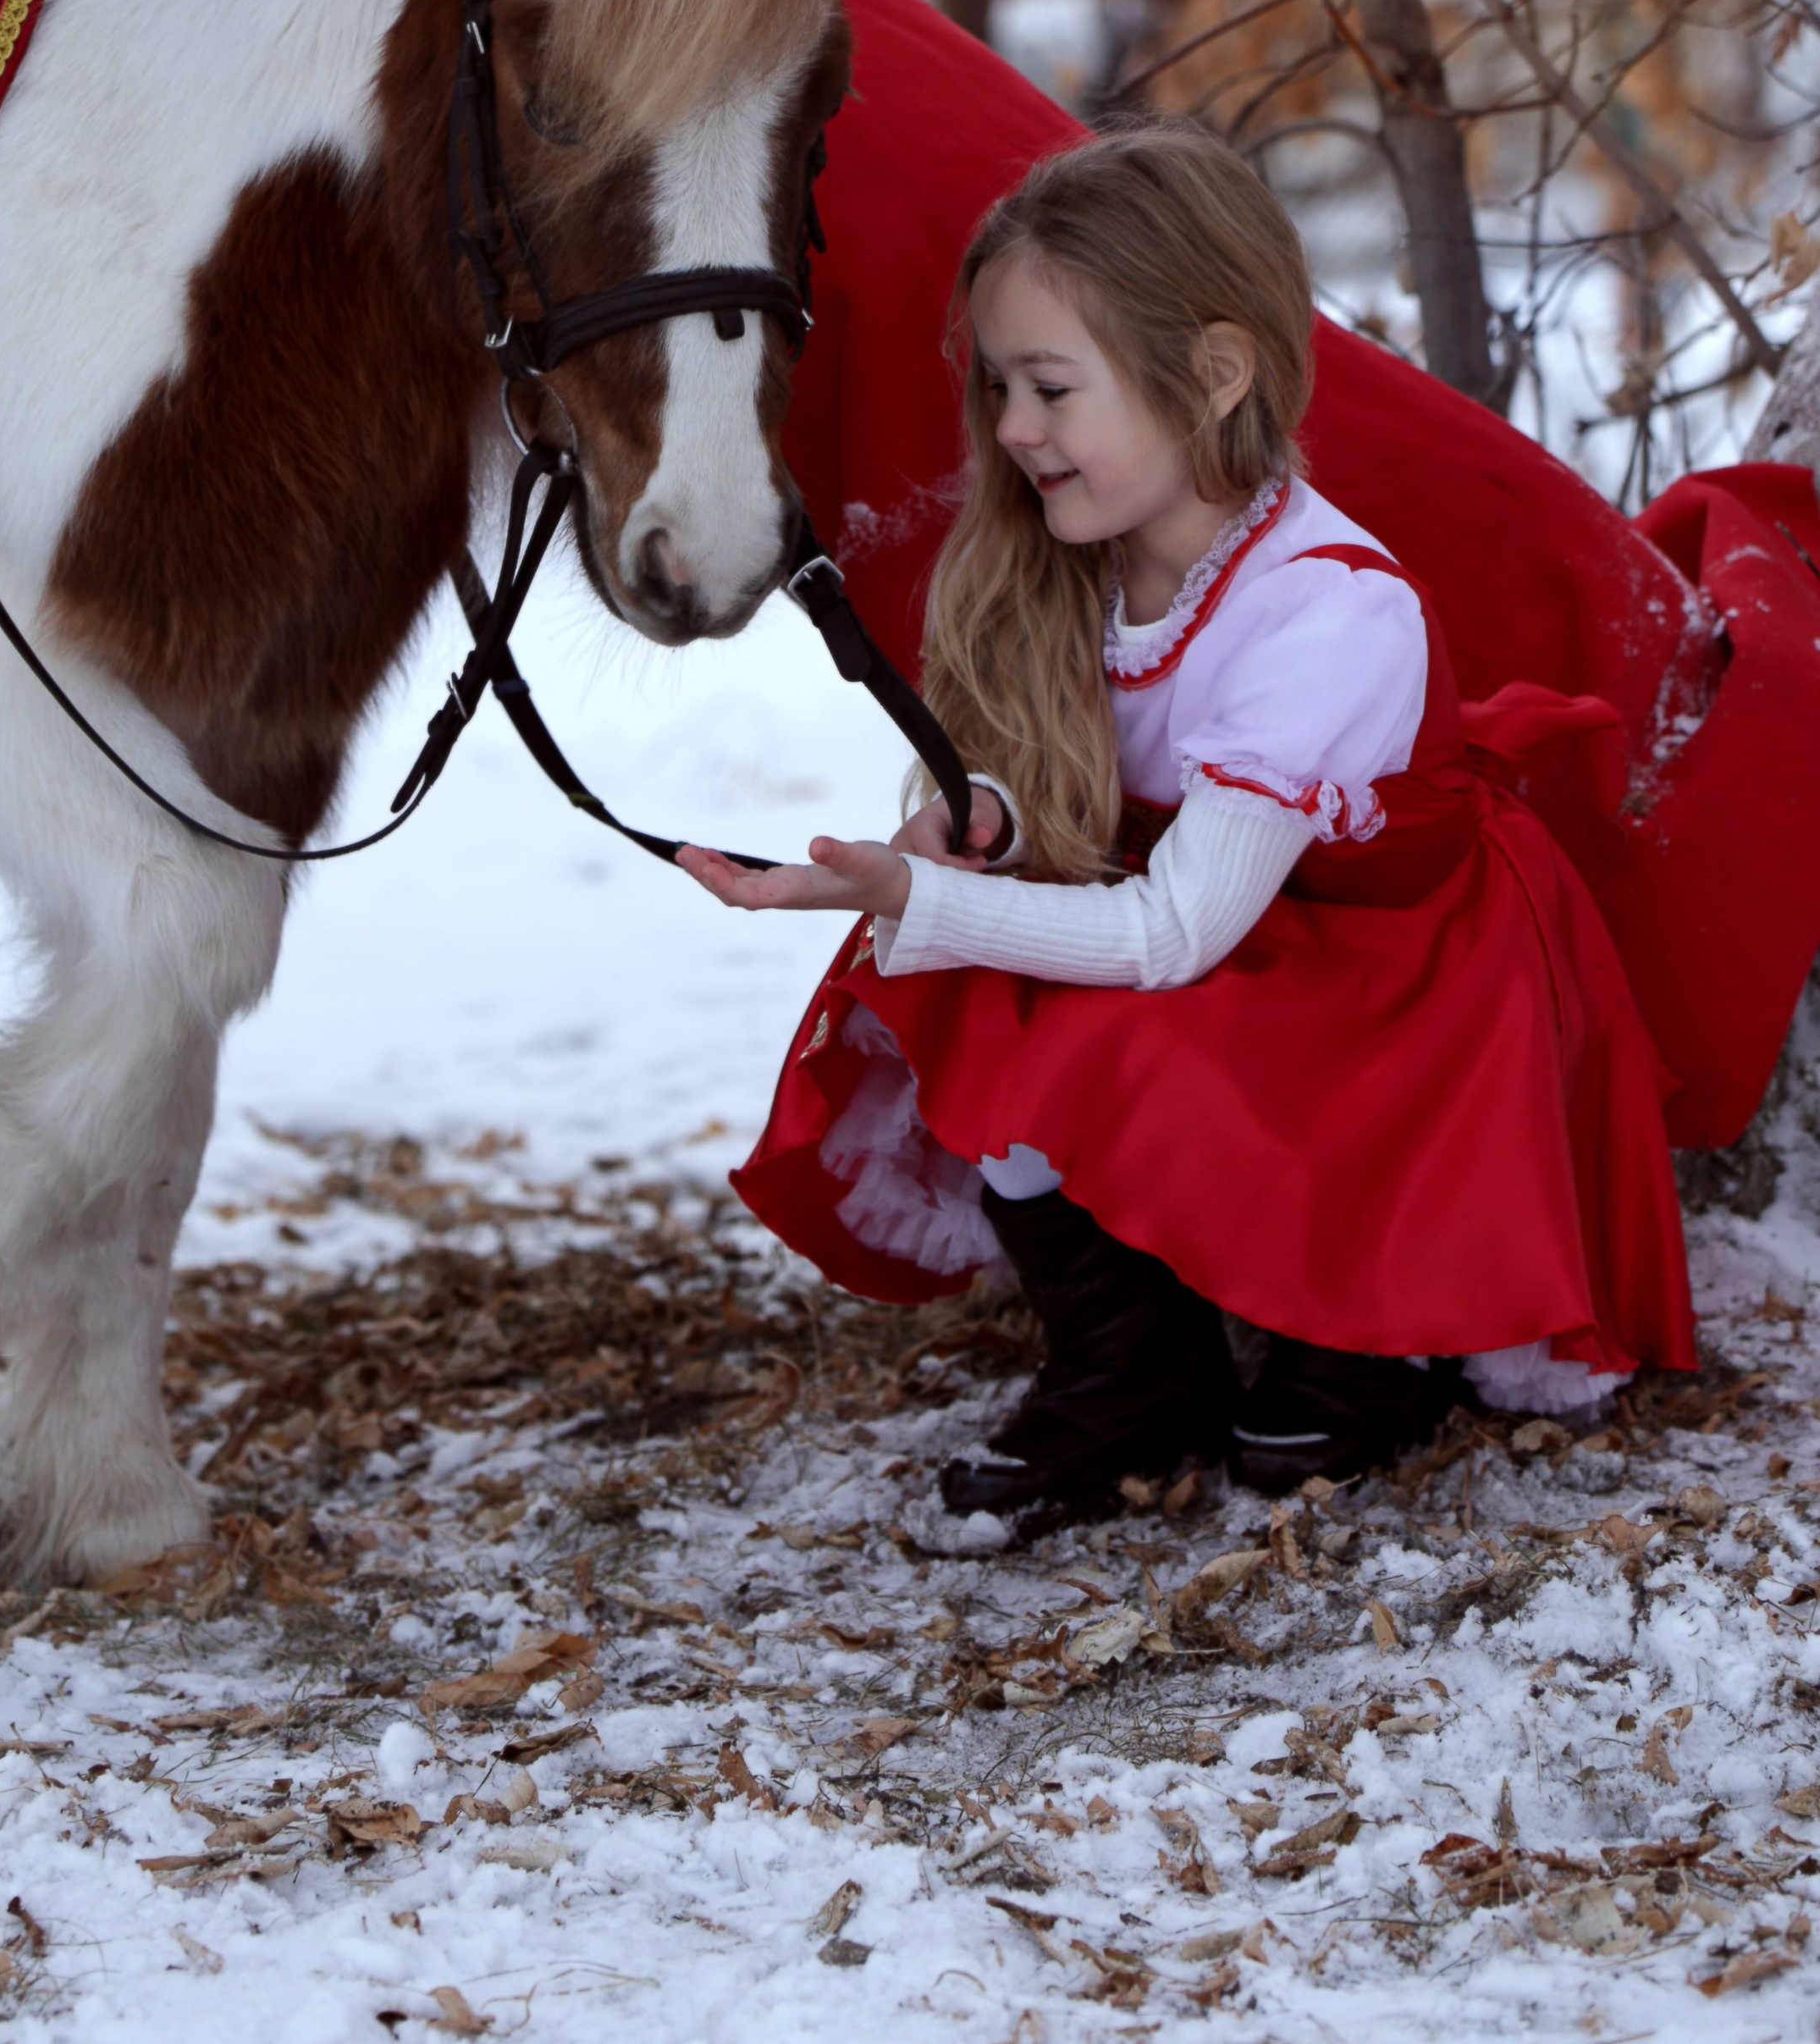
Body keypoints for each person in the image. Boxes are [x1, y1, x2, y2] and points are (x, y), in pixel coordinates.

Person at [687, 123, 1694, 1528]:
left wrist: (926, 907)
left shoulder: (1328, 611)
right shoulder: (1078, 570)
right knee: (974, 978)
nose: (1012, 430)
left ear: (1214, 374)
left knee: (1034, 979)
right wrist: (979, 830)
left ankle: (1360, 1339)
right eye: (998, 388)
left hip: (1401, 978)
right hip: (1245, 931)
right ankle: (1131, 1372)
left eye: (1050, 386)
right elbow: (1111, 810)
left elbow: (1173, 932)